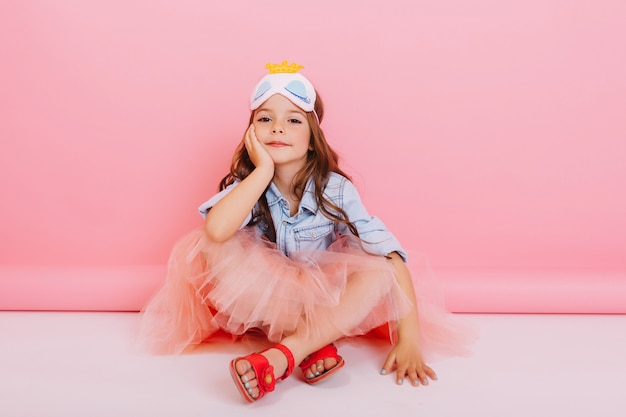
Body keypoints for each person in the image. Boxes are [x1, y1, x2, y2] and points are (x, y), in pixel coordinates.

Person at [138, 61, 473, 402]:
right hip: (272, 304)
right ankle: (314, 344)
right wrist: (262, 170)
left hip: (326, 296)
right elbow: (217, 229)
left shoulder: (337, 190)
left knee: (380, 269)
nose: (277, 128)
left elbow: (391, 254)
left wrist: (409, 340)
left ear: (312, 141)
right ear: (250, 134)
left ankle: (284, 354)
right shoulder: (249, 186)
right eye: (265, 119)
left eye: (293, 120)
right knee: (208, 242)